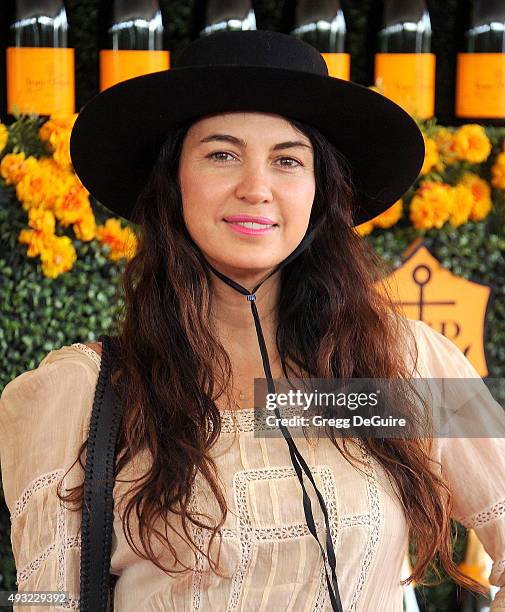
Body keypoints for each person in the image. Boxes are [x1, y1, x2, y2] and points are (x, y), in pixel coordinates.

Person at [1, 29, 505, 612]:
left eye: (288, 160)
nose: (256, 188)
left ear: (319, 192)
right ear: (172, 182)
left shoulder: (395, 366)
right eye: (222, 154)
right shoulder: (86, 392)